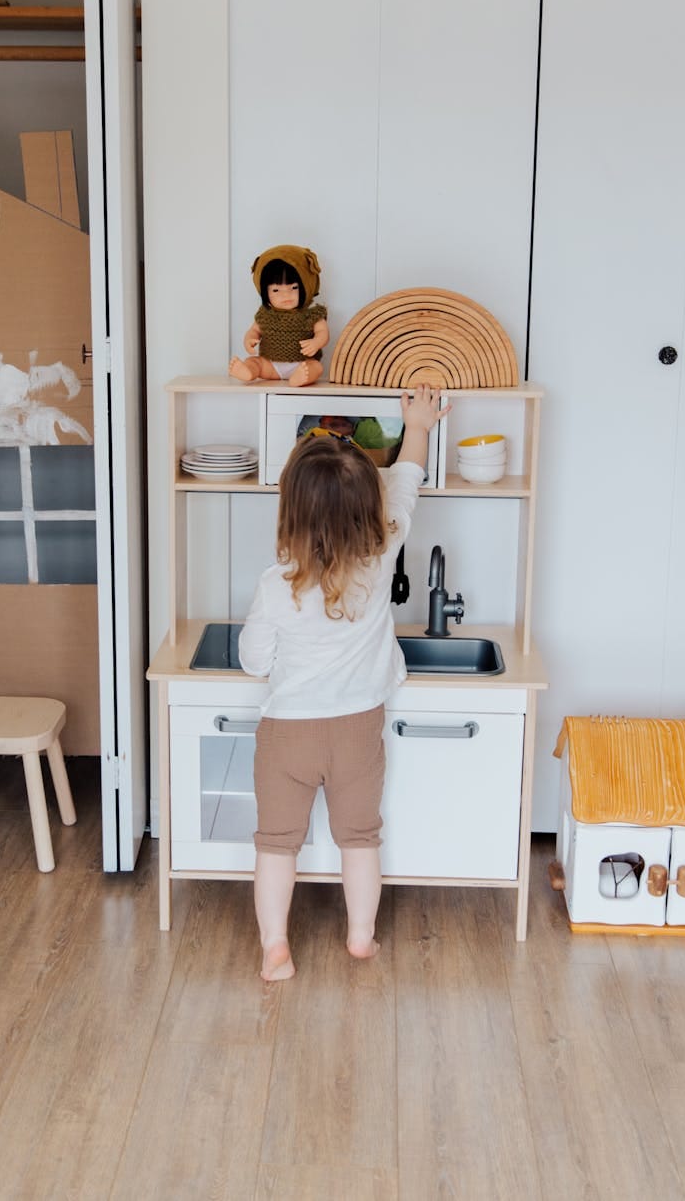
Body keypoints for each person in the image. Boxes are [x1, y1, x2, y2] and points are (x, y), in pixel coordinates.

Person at [238, 385, 448, 980]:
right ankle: (360, 937)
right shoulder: (380, 558)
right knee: (360, 839)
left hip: (288, 736)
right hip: (358, 729)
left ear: (290, 509)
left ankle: (275, 948)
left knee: (276, 843)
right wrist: (419, 424)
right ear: (367, 510)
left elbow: (255, 662)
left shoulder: (276, 583)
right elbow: (406, 483)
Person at [228, 244, 329, 387]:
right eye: (276, 290)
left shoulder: (312, 313)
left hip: (302, 363)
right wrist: (249, 339)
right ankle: (248, 371)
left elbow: (323, 332)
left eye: (293, 288)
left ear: (307, 285)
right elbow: (254, 330)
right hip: (270, 365)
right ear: (265, 292)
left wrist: (316, 342)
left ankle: (300, 378)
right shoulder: (265, 314)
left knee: (316, 367)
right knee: (254, 362)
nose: (286, 295)